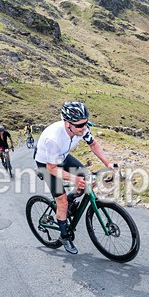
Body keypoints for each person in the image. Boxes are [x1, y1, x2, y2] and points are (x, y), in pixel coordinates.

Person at [34, 102, 116, 254]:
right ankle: (65, 236)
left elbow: (94, 145)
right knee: (62, 203)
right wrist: (74, 179)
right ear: (67, 123)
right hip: (46, 165)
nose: (84, 128)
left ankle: (71, 200)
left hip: (63, 157)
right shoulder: (53, 139)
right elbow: (51, 169)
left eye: (85, 123)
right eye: (80, 125)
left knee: (87, 180)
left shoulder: (81, 128)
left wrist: (108, 163)